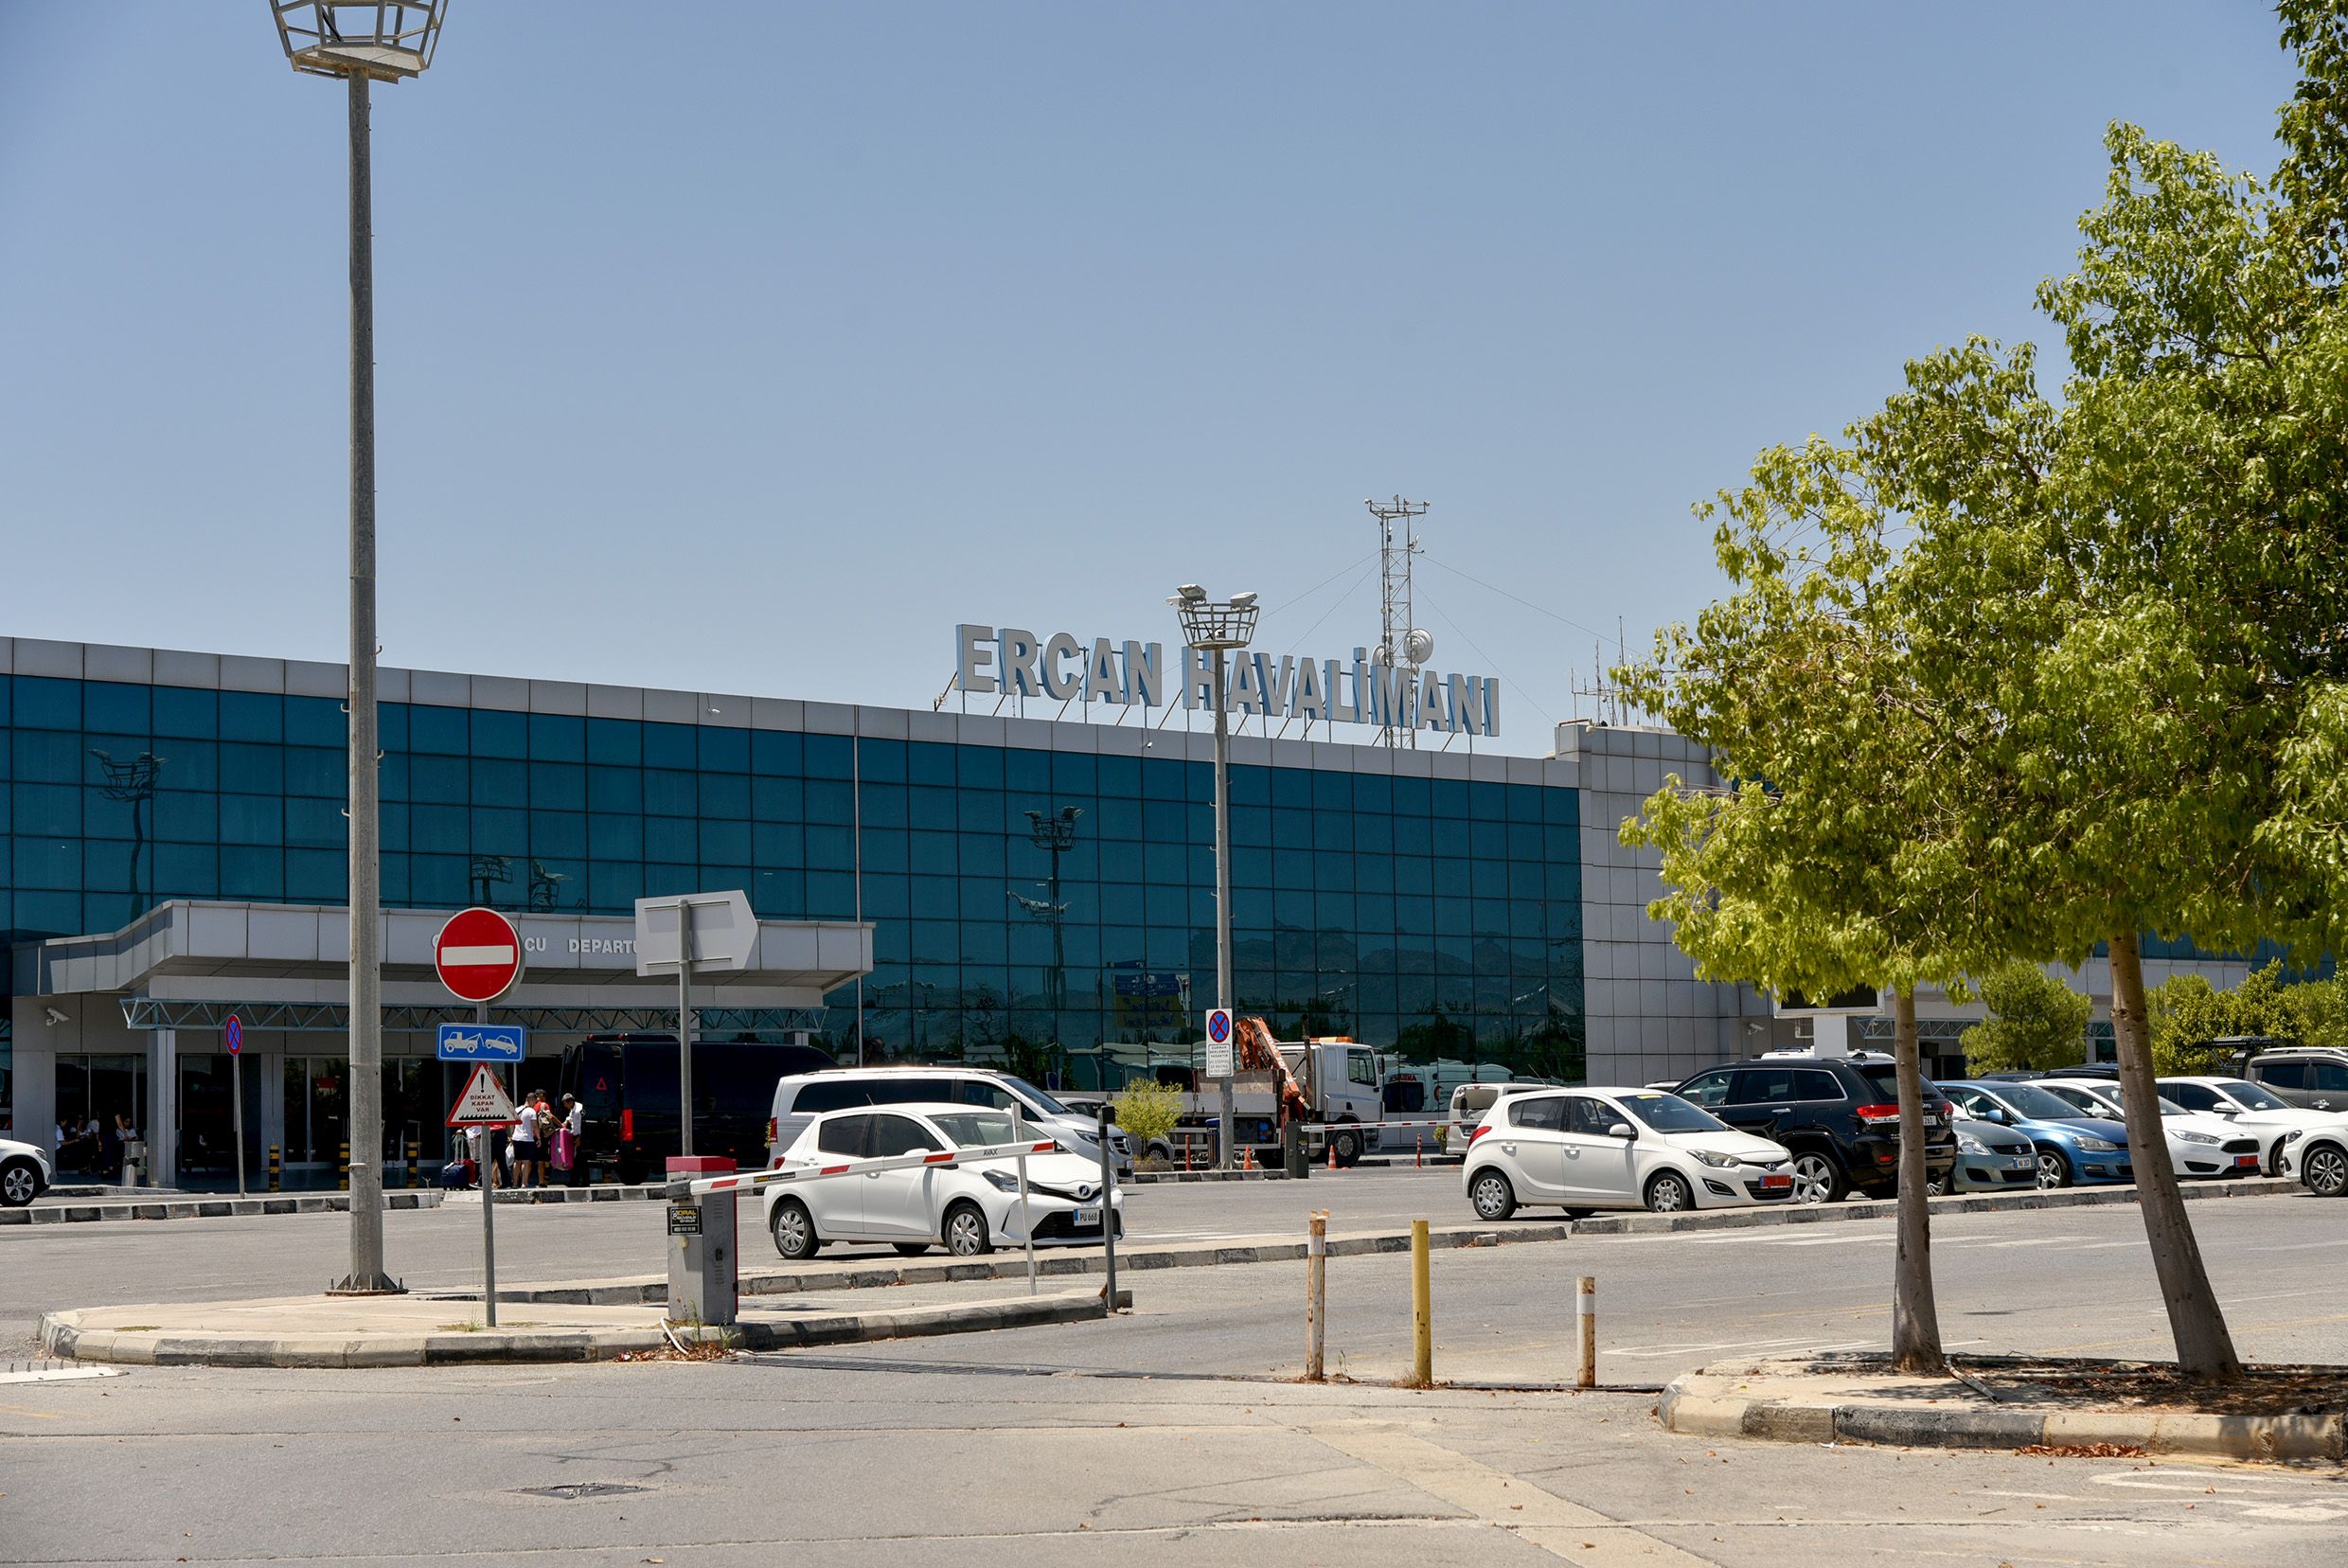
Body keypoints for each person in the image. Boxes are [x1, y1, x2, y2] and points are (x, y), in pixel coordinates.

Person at [507, 1095, 540, 1188]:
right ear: (531, 1100)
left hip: (516, 1138)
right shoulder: (531, 1111)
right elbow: (535, 1126)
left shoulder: (517, 1109)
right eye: (535, 1101)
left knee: (517, 1161)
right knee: (525, 1162)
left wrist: (511, 1135)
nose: (535, 1104)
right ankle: (524, 1183)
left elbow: (512, 1124)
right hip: (527, 1139)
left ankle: (514, 1183)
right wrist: (539, 1138)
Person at [559, 1093, 585, 1187]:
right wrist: (566, 1121)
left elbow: (583, 1124)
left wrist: (579, 1138)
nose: (565, 1106)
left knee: (579, 1160)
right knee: (579, 1160)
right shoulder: (572, 1109)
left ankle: (576, 1182)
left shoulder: (579, 1109)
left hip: (580, 1137)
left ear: (570, 1102)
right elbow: (571, 1118)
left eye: (565, 1104)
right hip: (575, 1136)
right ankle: (582, 1181)